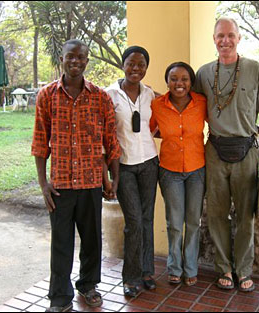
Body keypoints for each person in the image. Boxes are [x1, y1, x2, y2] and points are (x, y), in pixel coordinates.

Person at [31, 39, 121, 312]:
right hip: (60, 185)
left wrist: (113, 180)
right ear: (62, 58)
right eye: (70, 57)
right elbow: (39, 141)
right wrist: (43, 183)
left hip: (92, 181)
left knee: (92, 240)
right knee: (61, 243)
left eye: (80, 58)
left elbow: (111, 141)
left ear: (86, 61)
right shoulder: (47, 96)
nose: (75, 62)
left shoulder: (100, 96)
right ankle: (60, 298)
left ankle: (88, 285)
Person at [194, 17, 259, 292]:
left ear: (239, 38)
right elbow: (190, 107)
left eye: (230, 35)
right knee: (216, 214)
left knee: (246, 215)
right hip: (215, 150)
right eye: (220, 36)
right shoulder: (204, 73)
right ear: (214, 38)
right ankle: (224, 269)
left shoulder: (256, 69)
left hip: (247, 151)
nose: (225, 40)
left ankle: (243, 269)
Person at [105, 46, 159, 297]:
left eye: (141, 64)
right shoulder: (110, 95)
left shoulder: (150, 94)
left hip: (149, 163)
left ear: (146, 68)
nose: (136, 68)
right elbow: (104, 133)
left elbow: (161, 122)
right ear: (123, 64)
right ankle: (130, 277)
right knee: (134, 221)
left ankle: (147, 271)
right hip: (124, 166)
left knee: (147, 219)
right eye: (131, 63)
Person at [150, 62, 207, 287]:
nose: (179, 83)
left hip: (197, 170)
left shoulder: (201, 102)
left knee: (193, 221)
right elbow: (150, 130)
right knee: (174, 222)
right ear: (167, 82)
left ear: (191, 82)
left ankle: (190, 268)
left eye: (184, 79)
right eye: (174, 79)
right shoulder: (158, 105)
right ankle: (174, 267)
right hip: (169, 171)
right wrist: (171, 139)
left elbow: (217, 123)